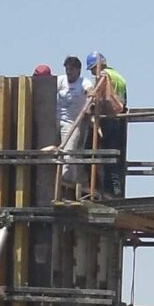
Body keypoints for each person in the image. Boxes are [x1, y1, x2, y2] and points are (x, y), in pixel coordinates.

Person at [85, 51, 129, 198]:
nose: (92, 72)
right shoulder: (119, 76)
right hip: (119, 118)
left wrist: (92, 110)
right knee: (115, 155)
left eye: (92, 69)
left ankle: (108, 191)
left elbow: (102, 98)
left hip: (108, 118)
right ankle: (116, 190)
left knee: (104, 156)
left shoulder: (104, 76)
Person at [52, 55, 91, 199]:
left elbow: (89, 89)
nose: (69, 72)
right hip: (55, 120)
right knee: (50, 149)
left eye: (72, 70)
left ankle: (66, 183)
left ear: (78, 71)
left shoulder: (83, 82)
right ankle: (54, 179)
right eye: (67, 69)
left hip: (72, 122)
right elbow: (49, 89)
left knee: (69, 152)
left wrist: (90, 93)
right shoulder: (61, 80)